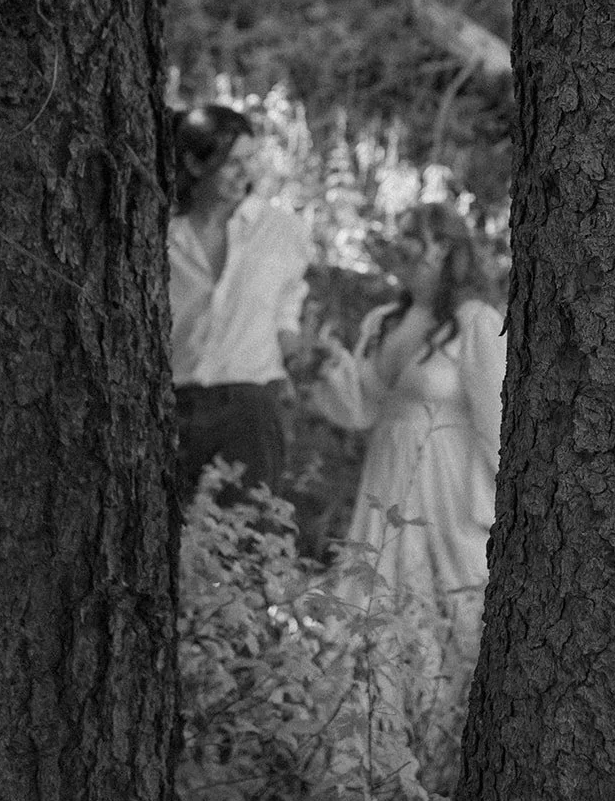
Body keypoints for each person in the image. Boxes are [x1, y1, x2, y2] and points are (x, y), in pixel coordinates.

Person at [309, 201, 506, 715]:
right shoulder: (383, 320)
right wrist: (329, 367)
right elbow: (362, 411)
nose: (397, 246)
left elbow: (497, 421)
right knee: (374, 590)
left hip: (447, 486)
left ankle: (447, 740)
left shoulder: (477, 323)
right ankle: (371, 732)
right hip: (387, 477)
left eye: (410, 236)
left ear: (442, 248)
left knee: (445, 598)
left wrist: (503, 507)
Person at [169, 103, 313, 502]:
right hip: (172, 406)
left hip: (248, 410)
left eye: (250, 159)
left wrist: (293, 355)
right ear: (195, 166)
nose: (245, 172)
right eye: (231, 162)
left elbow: (288, 303)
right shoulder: (163, 235)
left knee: (246, 542)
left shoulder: (281, 232)